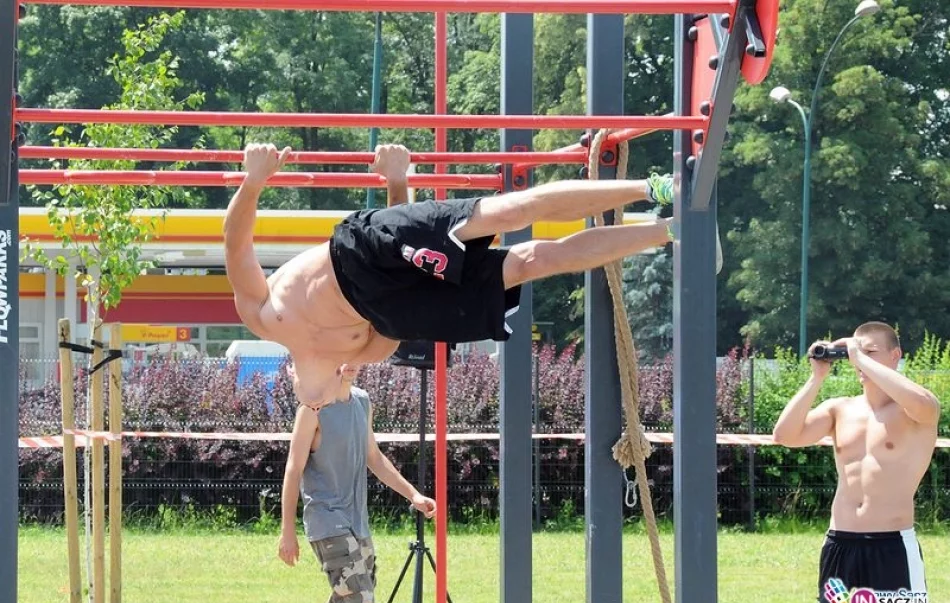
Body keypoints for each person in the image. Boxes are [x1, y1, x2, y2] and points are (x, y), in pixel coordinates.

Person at [224, 142, 721, 412]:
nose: (319, 401)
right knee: (529, 262)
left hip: (354, 252)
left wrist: (254, 181)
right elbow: (407, 282)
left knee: (504, 212)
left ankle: (660, 186)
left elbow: (236, 245)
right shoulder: (366, 351)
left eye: (311, 405)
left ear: (287, 373)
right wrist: (400, 187)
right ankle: (675, 231)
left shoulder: (266, 320)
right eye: (329, 401)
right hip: (391, 304)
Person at [773, 321, 939, 603]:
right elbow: (784, 434)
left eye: (871, 352)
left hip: (892, 551)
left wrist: (858, 356)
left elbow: (928, 405)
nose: (857, 360)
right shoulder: (840, 409)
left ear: (895, 355)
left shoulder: (915, 411)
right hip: (839, 547)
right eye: (855, 353)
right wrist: (816, 377)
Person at [278, 364, 437, 603]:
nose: (349, 363)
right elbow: (293, 471)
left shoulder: (362, 402)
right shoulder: (312, 410)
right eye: (341, 357)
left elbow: (374, 458)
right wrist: (287, 532)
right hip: (327, 521)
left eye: (355, 357)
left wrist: (413, 494)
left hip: (356, 522)